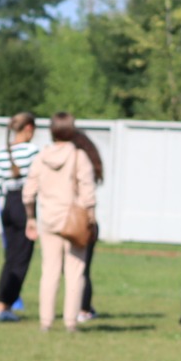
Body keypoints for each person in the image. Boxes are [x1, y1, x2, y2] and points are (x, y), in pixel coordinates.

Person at [24, 112, 98, 332]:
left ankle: (45, 322)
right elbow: (88, 192)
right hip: (73, 220)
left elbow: (29, 192)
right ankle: (70, 322)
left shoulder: (41, 157)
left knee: (49, 272)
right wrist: (91, 218)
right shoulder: (79, 157)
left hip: (48, 219)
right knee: (75, 272)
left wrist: (31, 218)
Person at [0, 112, 39, 322]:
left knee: (10, 256)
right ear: (28, 128)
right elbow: (37, 179)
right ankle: (4, 304)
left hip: (7, 205)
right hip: (24, 204)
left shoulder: (3, 152)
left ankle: (0, 304)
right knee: (21, 258)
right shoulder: (32, 151)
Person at [74, 129, 106, 320]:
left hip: (76, 220)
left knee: (78, 268)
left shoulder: (77, 164)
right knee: (82, 268)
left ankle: (83, 308)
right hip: (86, 220)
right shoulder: (89, 165)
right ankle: (83, 307)